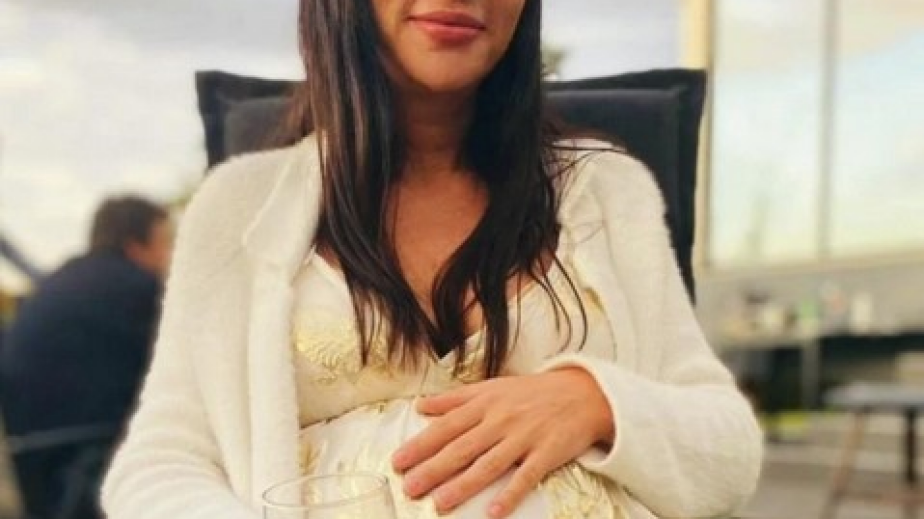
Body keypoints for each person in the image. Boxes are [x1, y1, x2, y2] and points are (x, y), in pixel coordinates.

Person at [103, 1, 763, 518]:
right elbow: (160, 463)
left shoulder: (608, 192)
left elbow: (730, 447)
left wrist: (598, 402)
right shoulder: (238, 208)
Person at [0, 195, 171, 519]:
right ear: (136, 245)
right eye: (165, 242)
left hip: (36, 476)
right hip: (92, 470)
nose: (169, 256)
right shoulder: (139, 290)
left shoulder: (57, 284)